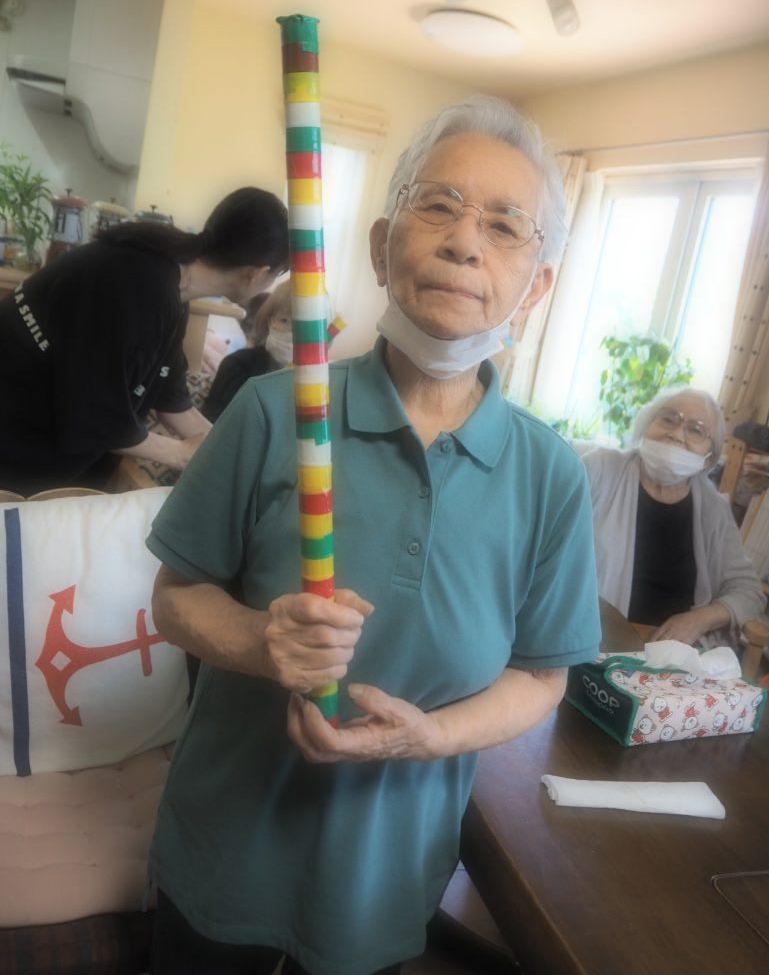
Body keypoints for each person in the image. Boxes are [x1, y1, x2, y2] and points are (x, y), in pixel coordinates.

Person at [145, 95, 602, 975]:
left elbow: (542, 674)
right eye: (439, 205)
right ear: (380, 245)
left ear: (536, 286)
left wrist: (428, 737)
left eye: (504, 225)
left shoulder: (550, 474)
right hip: (224, 851)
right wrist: (260, 639)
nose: (465, 242)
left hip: (383, 883)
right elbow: (175, 597)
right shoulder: (273, 410)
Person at [0, 187, 289, 496]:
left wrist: (237, 455)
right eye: (275, 275)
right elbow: (98, 415)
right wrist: (180, 453)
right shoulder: (142, 281)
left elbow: (172, 401)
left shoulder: (172, 290)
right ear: (256, 273)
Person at [582, 387, 766, 648]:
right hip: (597, 642)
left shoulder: (714, 509)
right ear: (646, 425)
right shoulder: (599, 469)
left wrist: (701, 619)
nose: (676, 434)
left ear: (709, 457)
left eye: (696, 430)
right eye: (668, 419)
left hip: (678, 655)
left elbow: (749, 591)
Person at [201, 279, 293, 422]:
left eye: (305, 324)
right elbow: (213, 420)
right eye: (284, 320)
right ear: (269, 321)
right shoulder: (238, 365)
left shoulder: (323, 376)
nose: (293, 332)